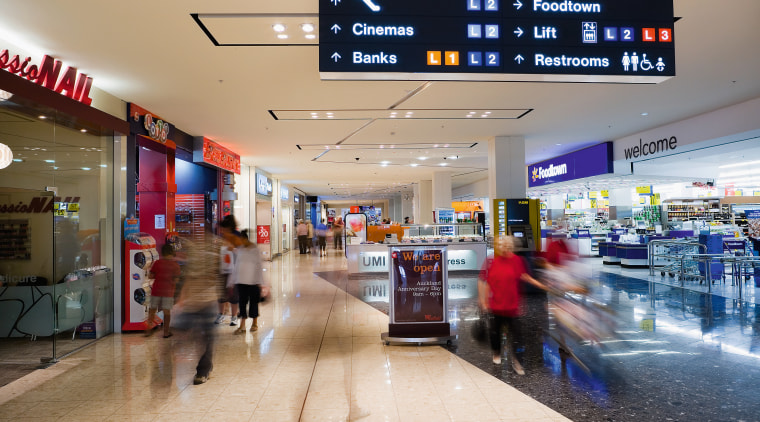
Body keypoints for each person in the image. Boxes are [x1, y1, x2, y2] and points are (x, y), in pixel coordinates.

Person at [478, 235, 545, 375]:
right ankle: (496, 353)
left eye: (506, 246)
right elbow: (487, 282)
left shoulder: (517, 261)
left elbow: (525, 277)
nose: (503, 249)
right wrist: (484, 301)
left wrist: (542, 285)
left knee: (517, 336)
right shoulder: (493, 262)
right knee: (494, 333)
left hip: (512, 305)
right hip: (496, 305)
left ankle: (517, 361)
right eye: (501, 246)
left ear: (510, 247)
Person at [175, 228, 224, 385]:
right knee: (197, 336)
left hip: (208, 302)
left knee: (206, 338)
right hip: (193, 303)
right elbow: (188, 278)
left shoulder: (214, 256)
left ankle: (203, 370)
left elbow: (219, 278)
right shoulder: (195, 256)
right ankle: (203, 367)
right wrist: (182, 299)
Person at [228, 229, 266, 334]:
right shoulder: (240, 250)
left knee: (254, 303)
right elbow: (236, 266)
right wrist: (232, 281)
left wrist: (261, 283)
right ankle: (242, 326)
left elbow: (259, 265)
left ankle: (254, 323)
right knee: (242, 304)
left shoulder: (255, 249)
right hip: (241, 281)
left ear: (245, 239)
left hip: (253, 281)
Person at [146, 244, 181, 338]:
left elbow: (150, 276)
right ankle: (166, 332)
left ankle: (148, 330)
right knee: (166, 312)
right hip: (168, 292)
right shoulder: (175, 265)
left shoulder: (157, 263)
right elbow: (176, 280)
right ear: (171, 252)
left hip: (156, 290)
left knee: (152, 309)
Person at [215, 215, 240, 326]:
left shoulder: (237, 237)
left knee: (233, 294)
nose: (222, 230)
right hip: (222, 269)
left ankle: (234, 316)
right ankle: (222, 314)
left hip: (234, 270)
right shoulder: (221, 237)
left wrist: (233, 249)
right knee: (221, 294)